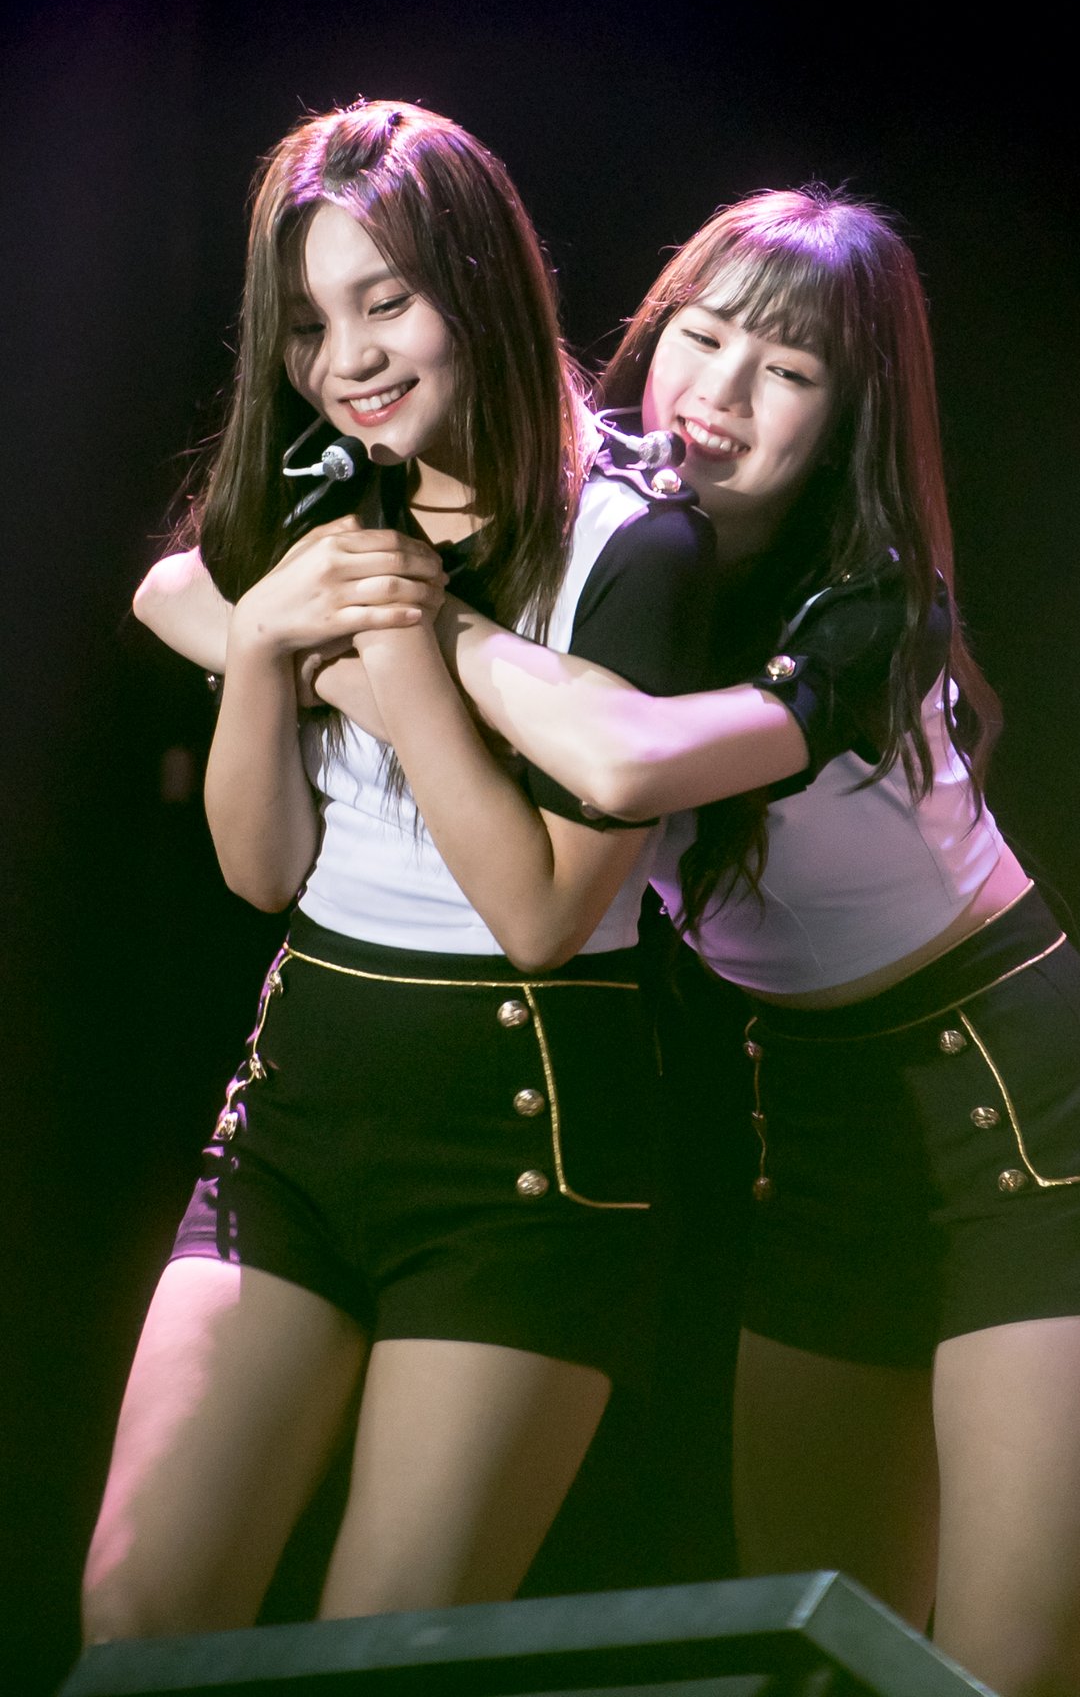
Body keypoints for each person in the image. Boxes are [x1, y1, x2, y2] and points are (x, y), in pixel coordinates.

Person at [133, 187, 1080, 1697]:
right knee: (831, 1643)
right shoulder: (611, 526)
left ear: (850, 418)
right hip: (808, 1127)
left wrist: (410, 627)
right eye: (700, 339)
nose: (720, 394)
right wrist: (312, 632)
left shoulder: (867, 606)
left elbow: (626, 764)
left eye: (790, 371)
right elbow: (183, 587)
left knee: (1009, 1668)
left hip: (1024, 1119)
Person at [82, 100, 716, 1643]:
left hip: (528, 1145)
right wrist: (263, 650)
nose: (348, 360)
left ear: (479, 284)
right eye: (310, 325)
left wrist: (391, 651)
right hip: (297, 1114)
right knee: (138, 1622)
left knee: (384, 1648)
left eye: (388, 303)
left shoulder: (632, 546)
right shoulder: (311, 497)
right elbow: (260, 872)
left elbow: (543, 915)